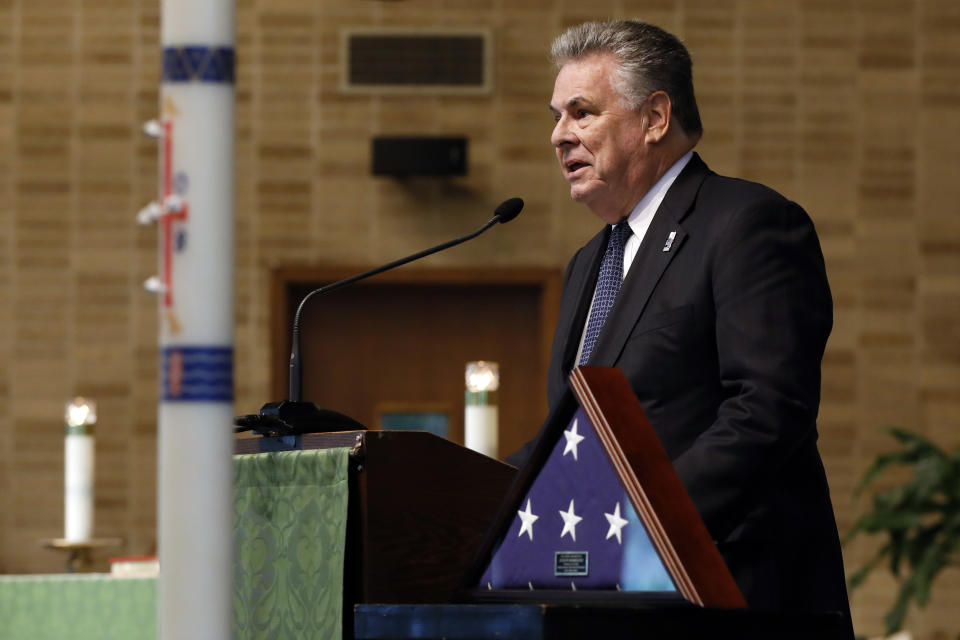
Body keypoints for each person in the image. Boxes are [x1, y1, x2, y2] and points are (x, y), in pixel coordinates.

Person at [507, 20, 852, 621]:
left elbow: (768, 409)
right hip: (611, 604)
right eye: (557, 116)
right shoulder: (588, 262)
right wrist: (471, 493)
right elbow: (576, 435)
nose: (558, 135)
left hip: (731, 591)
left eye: (581, 113)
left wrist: (637, 523)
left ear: (656, 118)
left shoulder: (748, 224)